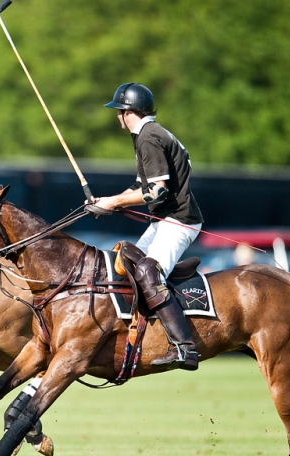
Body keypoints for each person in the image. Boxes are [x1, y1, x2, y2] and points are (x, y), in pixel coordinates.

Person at [91, 82, 203, 371]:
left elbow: (157, 193)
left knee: (148, 272)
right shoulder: (147, 135)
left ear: (129, 112)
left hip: (179, 220)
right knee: (126, 265)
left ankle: (185, 348)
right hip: (165, 220)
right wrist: (107, 201)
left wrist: (115, 204)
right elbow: (140, 186)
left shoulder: (148, 137)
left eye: (119, 111)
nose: (117, 116)